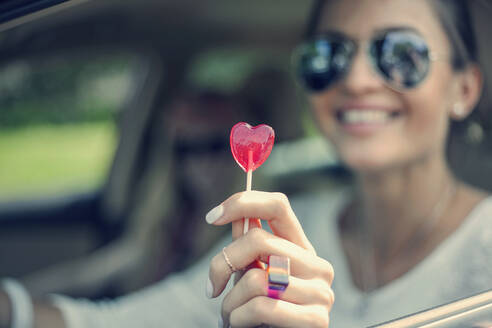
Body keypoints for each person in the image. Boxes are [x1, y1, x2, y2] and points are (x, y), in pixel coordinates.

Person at [1, 0, 491, 327]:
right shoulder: (288, 223)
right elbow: (117, 322)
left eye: (401, 53)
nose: (357, 79)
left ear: (464, 88)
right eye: (329, 55)